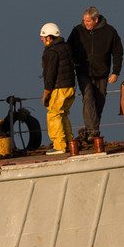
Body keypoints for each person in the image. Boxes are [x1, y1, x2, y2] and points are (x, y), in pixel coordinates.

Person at [67, 6, 122, 150]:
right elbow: (68, 49)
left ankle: (91, 131)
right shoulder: (77, 31)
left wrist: (116, 72)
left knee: (99, 102)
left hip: (102, 74)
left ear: (95, 19)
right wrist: (73, 64)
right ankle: (93, 132)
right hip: (83, 72)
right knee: (88, 97)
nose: (85, 23)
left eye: (88, 21)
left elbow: (118, 51)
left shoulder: (110, 32)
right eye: (84, 20)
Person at [39, 23, 76, 154]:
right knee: (63, 114)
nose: (42, 39)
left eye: (43, 37)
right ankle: (69, 142)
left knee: (53, 114)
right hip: (71, 87)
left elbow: (50, 74)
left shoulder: (52, 51)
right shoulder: (66, 47)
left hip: (59, 88)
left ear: (49, 38)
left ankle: (59, 146)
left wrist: (46, 93)